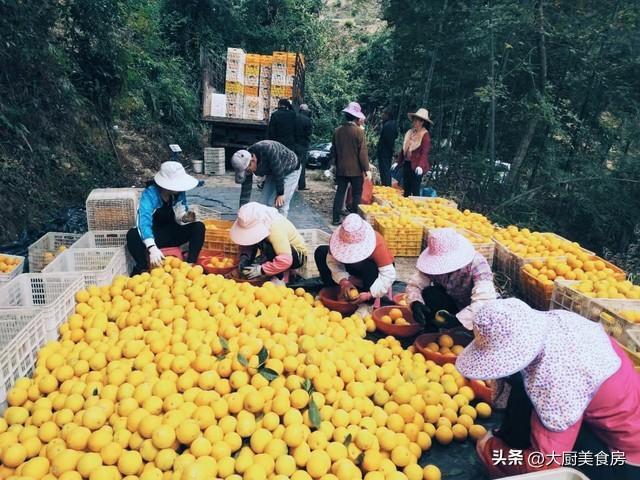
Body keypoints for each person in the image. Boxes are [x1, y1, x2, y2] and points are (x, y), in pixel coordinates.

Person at [457, 298, 640, 480]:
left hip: (623, 461)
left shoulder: (558, 379)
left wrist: (491, 450)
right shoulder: (559, 324)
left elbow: (544, 464)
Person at [406, 228, 497, 331]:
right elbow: (416, 284)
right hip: (451, 302)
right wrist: (415, 303)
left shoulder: (477, 264)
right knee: (430, 293)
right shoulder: (433, 265)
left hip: (471, 307)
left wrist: (459, 319)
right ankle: (432, 329)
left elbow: (484, 300)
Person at [126, 161, 205, 275]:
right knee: (132, 235)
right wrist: (152, 247)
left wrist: (184, 217)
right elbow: (143, 221)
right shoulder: (150, 195)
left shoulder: (178, 193)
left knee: (199, 227)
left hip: (172, 233)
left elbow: (180, 211)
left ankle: (190, 264)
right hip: (155, 236)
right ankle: (143, 268)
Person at [315, 214, 396, 304]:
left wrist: (370, 294)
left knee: (370, 265)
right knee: (321, 252)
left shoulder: (377, 243)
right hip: (351, 269)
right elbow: (332, 262)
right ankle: (332, 290)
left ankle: (367, 304)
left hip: (371, 274)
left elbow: (388, 274)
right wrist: (344, 280)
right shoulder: (337, 238)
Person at [230, 202, 307, 284]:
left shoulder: (275, 229)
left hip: (296, 256)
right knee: (260, 247)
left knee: (270, 248)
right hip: (281, 252)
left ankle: (283, 275)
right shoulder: (260, 226)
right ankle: (274, 267)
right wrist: (245, 258)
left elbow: (286, 259)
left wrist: (262, 270)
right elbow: (249, 244)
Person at [232, 140, 301, 218]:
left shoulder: (268, 149)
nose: (248, 173)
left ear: (253, 160)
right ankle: (264, 227)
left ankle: (279, 228)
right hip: (273, 171)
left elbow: (279, 172)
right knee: (263, 203)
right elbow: (245, 192)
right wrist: (242, 212)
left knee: (280, 204)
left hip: (291, 170)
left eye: (248, 170)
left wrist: (280, 194)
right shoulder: (245, 162)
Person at [330, 102, 372, 226]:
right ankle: (354, 221)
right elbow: (362, 153)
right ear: (356, 117)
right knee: (357, 194)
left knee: (340, 193)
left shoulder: (337, 131)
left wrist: (334, 165)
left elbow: (334, 151)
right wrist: (367, 169)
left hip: (341, 169)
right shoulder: (359, 132)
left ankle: (335, 218)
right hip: (356, 170)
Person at [391, 108, 432, 197]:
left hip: (417, 166)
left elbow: (424, 152)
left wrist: (420, 166)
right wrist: (398, 162)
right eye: (414, 120)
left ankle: (415, 207)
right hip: (407, 163)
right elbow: (404, 148)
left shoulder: (425, 135)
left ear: (422, 122)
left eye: (417, 121)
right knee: (406, 187)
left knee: (415, 189)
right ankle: (405, 207)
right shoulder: (409, 132)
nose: (414, 122)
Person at [377, 108, 398, 187]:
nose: (382, 115)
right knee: (385, 169)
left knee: (385, 170)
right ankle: (386, 185)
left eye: (383, 113)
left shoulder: (388, 125)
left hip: (385, 151)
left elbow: (388, 140)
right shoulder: (392, 124)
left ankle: (386, 186)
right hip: (387, 151)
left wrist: (392, 149)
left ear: (387, 115)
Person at [295, 104, 313, 190]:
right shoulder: (307, 120)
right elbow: (309, 133)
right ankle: (301, 185)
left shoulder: (294, 118)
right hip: (303, 145)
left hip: (293, 144)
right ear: (305, 111)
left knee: (293, 163)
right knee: (302, 166)